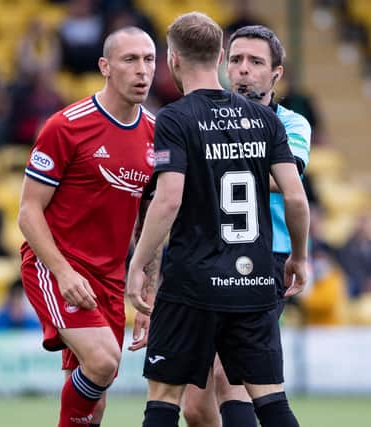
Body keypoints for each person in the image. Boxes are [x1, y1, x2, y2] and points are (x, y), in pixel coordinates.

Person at [127, 12, 310, 427]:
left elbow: (168, 200)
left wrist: (138, 264)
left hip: (193, 279)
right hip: (254, 277)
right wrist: (298, 256)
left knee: (164, 398)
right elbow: (297, 199)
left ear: (172, 58)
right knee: (269, 400)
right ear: (222, 57)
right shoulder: (265, 120)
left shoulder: (174, 118)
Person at [18, 26, 159, 427]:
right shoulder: (66, 126)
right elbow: (28, 213)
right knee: (101, 362)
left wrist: (149, 287)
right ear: (105, 66)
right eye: (130, 59)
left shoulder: (156, 133)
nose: (142, 71)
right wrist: (62, 273)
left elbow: (151, 219)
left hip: (110, 279)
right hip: (56, 266)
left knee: (93, 407)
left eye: (149, 60)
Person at [182, 25, 312, 427]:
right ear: (222, 65)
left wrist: (210, 164)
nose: (243, 70)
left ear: (276, 73)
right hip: (206, 255)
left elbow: (286, 180)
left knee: (232, 375)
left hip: (264, 258)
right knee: (195, 407)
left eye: (256, 62)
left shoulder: (291, 125)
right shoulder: (200, 116)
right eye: (236, 60)